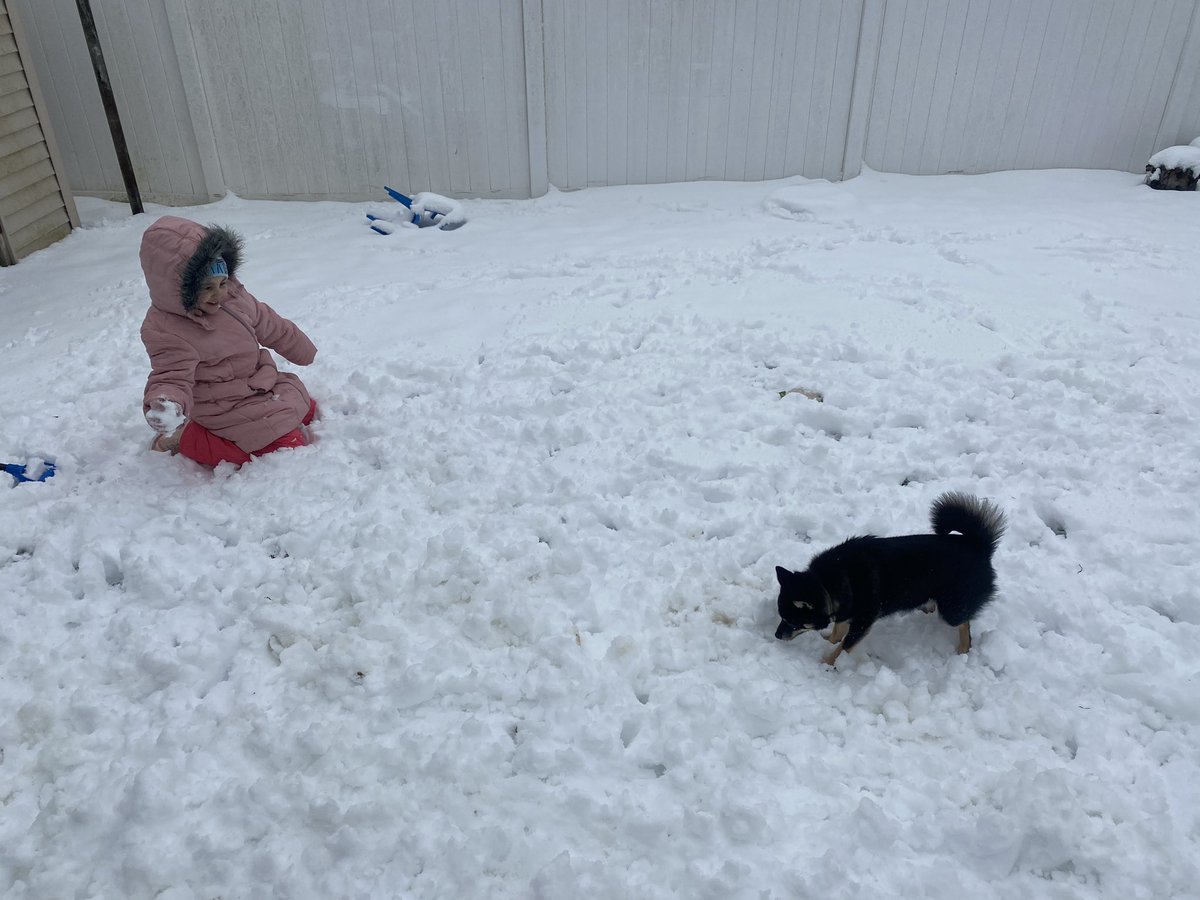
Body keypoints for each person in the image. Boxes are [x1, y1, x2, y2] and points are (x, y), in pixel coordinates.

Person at [139, 216, 318, 467]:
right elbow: (170, 374)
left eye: (222, 283)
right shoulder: (169, 329)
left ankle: (267, 424)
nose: (219, 294)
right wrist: (165, 402)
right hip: (221, 408)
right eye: (207, 287)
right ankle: (185, 439)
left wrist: (301, 348)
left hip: (259, 383)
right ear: (180, 290)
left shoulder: (233, 298)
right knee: (288, 445)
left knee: (307, 409)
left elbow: (270, 323)